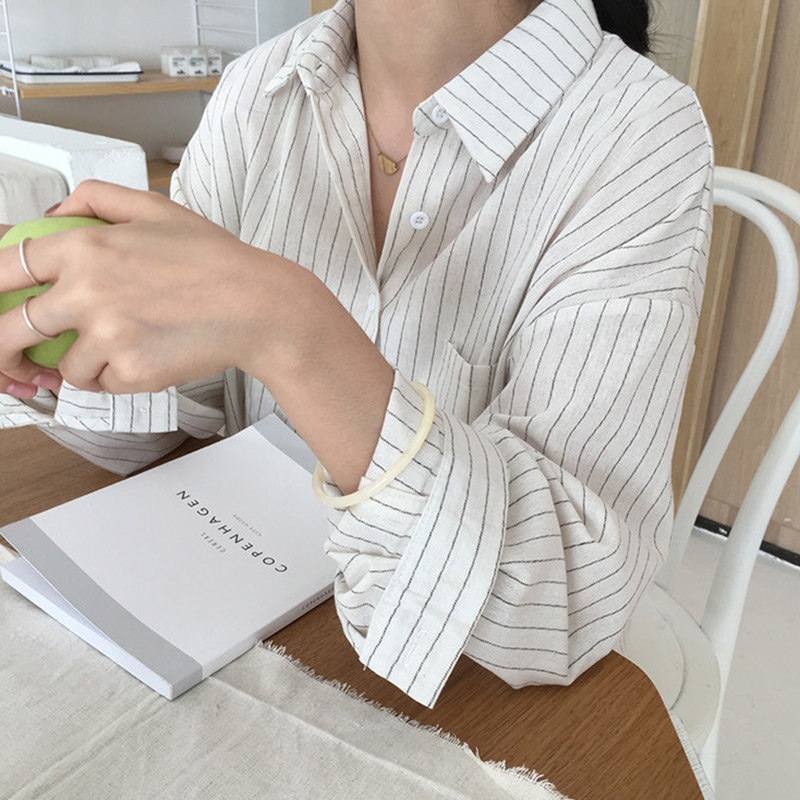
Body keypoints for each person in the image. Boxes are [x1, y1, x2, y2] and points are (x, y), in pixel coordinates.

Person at [0, 0, 713, 707]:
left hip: (462, 695)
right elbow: (166, 424)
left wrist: (289, 326)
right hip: (223, 638)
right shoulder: (259, 86)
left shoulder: (639, 133)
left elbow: (563, 600)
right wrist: (69, 327)